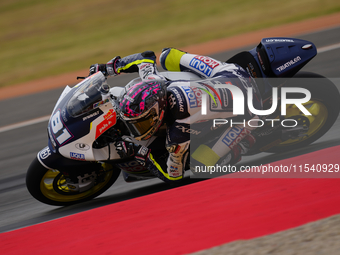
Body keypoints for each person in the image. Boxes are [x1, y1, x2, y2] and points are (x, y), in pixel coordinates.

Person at [89, 49, 261, 183]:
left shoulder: (179, 131)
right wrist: (107, 69)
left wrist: (142, 154)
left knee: (201, 166)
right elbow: (145, 58)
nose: (135, 129)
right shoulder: (154, 81)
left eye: (140, 123)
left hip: (251, 111)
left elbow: (173, 176)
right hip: (232, 73)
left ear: (158, 113)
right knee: (167, 55)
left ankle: (246, 143)